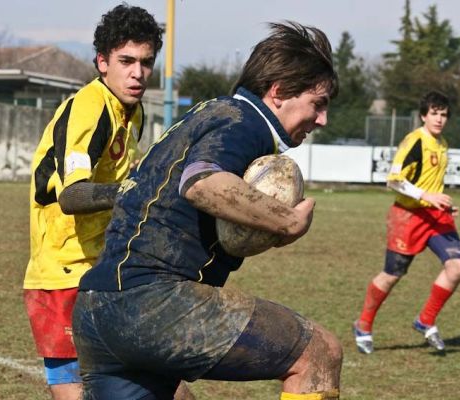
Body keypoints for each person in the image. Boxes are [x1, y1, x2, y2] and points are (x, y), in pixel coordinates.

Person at [72, 21, 342, 400]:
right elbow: (202, 183)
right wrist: (289, 221)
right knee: (318, 351)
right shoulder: (246, 124)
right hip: (154, 304)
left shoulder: (208, 114)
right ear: (279, 92)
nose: (323, 119)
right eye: (319, 104)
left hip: (97, 309)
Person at [22, 4, 194, 400]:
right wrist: (137, 193)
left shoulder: (131, 114)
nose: (138, 73)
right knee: (77, 392)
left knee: (167, 385)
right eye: (126, 61)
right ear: (102, 62)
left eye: (146, 62)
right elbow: (73, 195)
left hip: (106, 269)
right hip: (61, 275)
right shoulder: (90, 105)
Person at [352, 90, 460, 355]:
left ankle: (425, 320)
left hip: (436, 217)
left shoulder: (443, 144)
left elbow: (431, 182)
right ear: (424, 115)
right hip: (408, 216)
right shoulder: (415, 141)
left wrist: (442, 202)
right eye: (434, 114)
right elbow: (393, 180)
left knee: (457, 267)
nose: (439, 119)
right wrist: (426, 195)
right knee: (393, 275)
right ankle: (363, 324)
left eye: (443, 115)